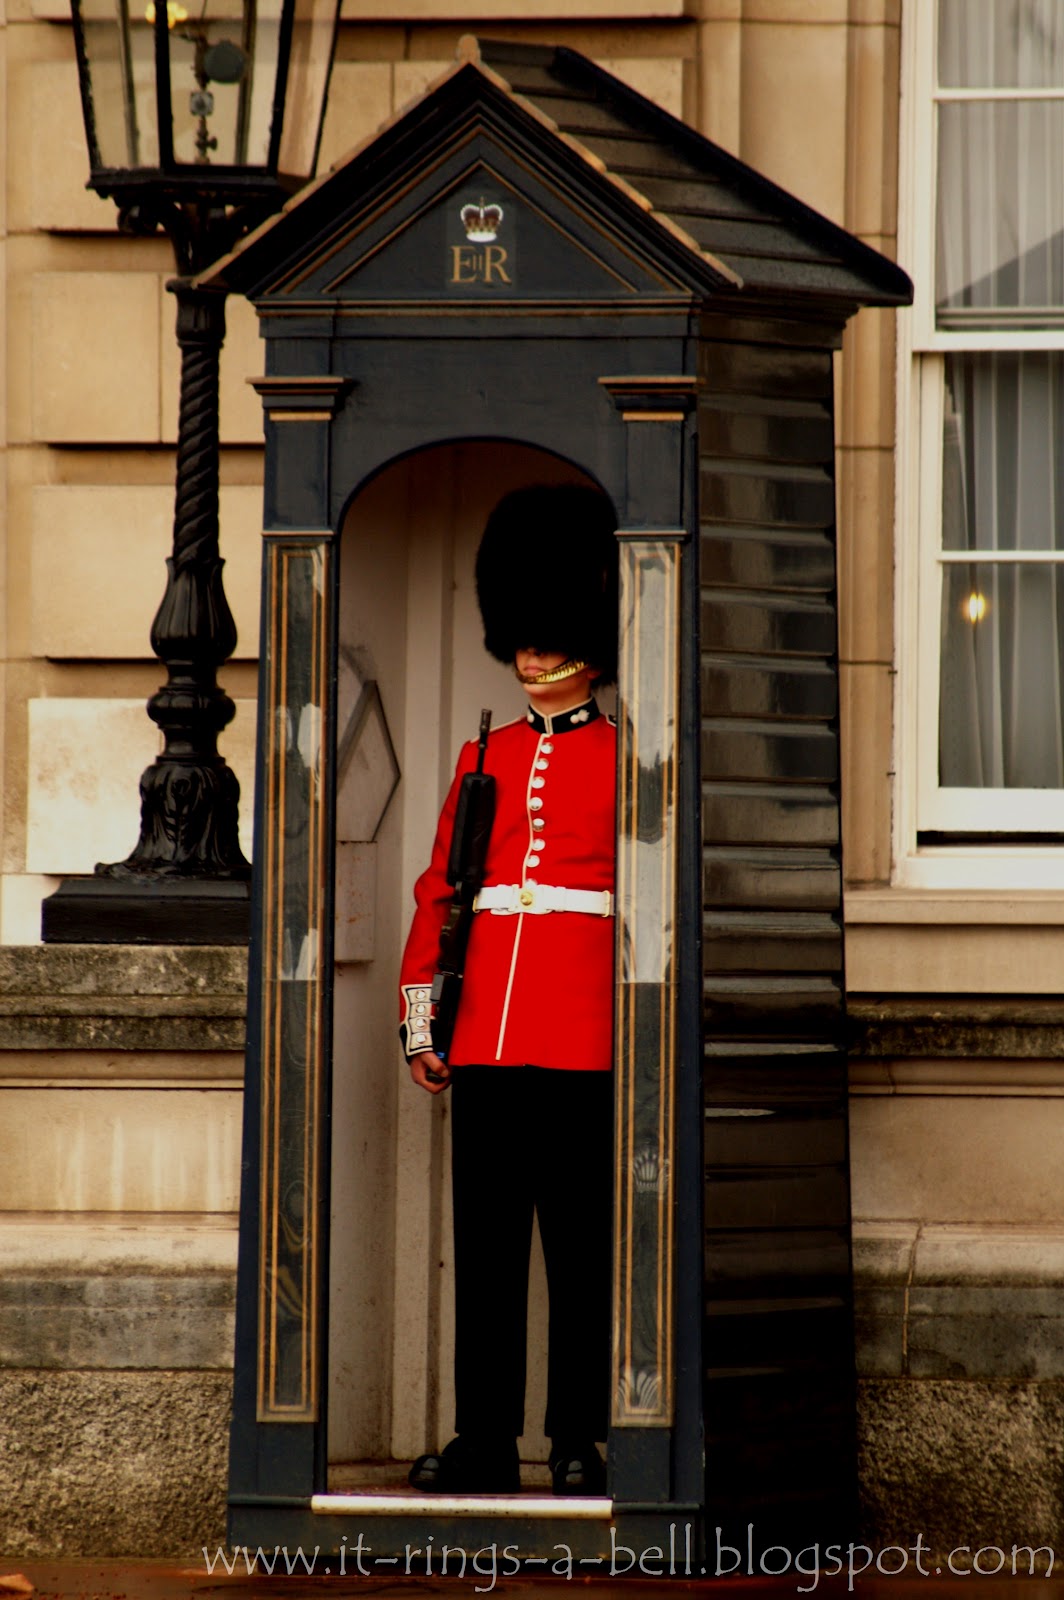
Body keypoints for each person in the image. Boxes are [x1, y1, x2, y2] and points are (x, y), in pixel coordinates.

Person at [398, 483, 618, 1498]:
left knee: (579, 1255)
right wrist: (421, 1023)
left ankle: (577, 1436)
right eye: (519, 640)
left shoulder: (626, 757)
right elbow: (441, 891)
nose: (529, 657)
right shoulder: (480, 756)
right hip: (485, 1028)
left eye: (545, 637)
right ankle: (482, 1436)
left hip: (583, 1033)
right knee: (484, 1254)